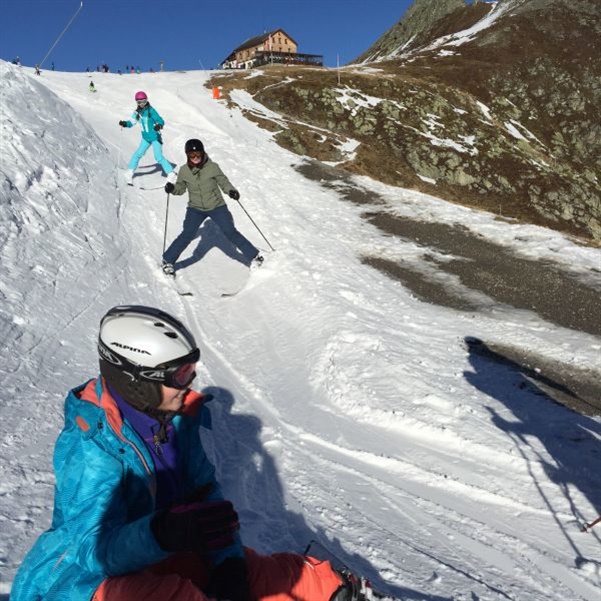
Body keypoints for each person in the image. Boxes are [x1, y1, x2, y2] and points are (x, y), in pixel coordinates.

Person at [10, 305, 378, 601]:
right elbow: (93, 550)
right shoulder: (92, 446)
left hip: (161, 555)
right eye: (180, 374)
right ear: (137, 380)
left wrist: (228, 564)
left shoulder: (175, 423)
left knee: (273, 577)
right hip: (81, 583)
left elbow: (207, 499)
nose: (190, 384)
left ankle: (344, 594)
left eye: (191, 371)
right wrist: (162, 532)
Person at [162, 139, 263, 276]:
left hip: (216, 206)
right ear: (187, 155)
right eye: (192, 155)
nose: (195, 157)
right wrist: (172, 188)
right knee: (187, 234)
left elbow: (223, 182)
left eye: (198, 154)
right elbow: (180, 189)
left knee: (230, 231)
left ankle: (255, 256)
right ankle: (168, 260)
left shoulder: (213, 167)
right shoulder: (184, 171)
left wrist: (231, 191)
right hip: (195, 208)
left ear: (203, 153)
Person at [118, 91, 176, 186]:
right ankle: (129, 172)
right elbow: (131, 122)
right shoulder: (137, 112)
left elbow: (160, 120)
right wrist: (125, 123)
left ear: (147, 100)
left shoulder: (151, 111)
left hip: (155, 137)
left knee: (158, 157)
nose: (142, 104)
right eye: (139, 102)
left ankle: (171, 173)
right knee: (138, 154)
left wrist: (159, 125)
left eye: (144, 101)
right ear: (137, 102)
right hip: (146, 138)